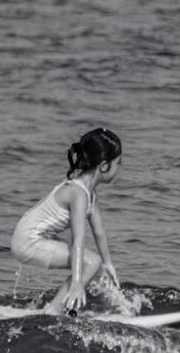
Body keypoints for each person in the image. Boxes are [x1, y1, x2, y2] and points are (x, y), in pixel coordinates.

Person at [11, 128, 122, 314]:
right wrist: (77, 282)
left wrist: (108, 264)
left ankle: (65, 308)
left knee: (94, 265)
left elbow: (99, 231)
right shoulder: (78, 193)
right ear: (104, 166)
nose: (119, 167)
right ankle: (54, 309)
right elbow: (77, 239)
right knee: (91, 263)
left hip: (38, 237)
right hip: (27, 240)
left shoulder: (89, 193)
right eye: (118, 163)